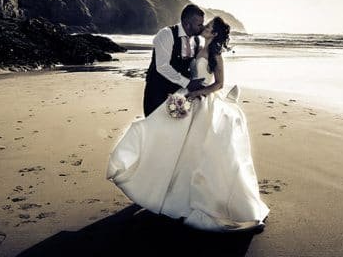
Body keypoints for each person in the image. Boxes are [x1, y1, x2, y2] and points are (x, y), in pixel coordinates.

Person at [107, 16, 269, 232]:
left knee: (197, 150)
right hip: (187, 97)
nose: (205, 27)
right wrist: (183, 92)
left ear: (215, 34)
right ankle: (158, 186)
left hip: (203, 103)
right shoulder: (197, 46)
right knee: (165, 137)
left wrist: (197, 93)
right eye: (205, 24)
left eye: (209, 26)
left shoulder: (216, 54)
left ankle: (195, 199)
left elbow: (219, 84)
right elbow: (183, 71)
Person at [142, 4, 206, 117]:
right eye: (199, 24)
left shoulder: (196, 40)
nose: (203, 27)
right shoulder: (166, 34)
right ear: (187, 24)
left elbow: (191, 66)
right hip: (157, 92)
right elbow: (162, 67)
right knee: (154, 126)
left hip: (178, 95)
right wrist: (188, 83)